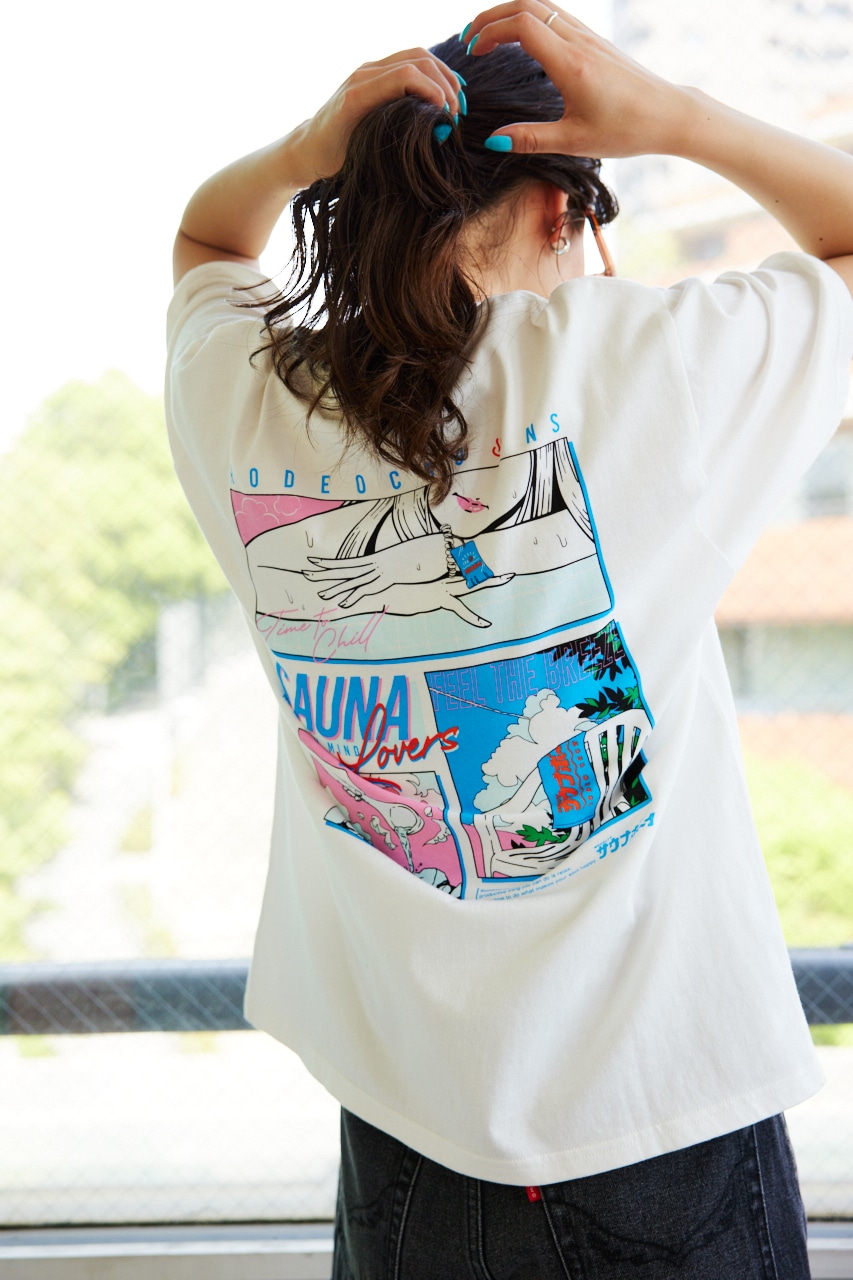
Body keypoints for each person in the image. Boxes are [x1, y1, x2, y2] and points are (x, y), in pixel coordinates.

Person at [165, 4, 853, 1275]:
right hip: (660, 1125)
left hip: (402, 1152)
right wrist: (674, 119)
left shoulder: (248, 395)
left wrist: (303, 147)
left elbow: (209, 239)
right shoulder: (637, 362)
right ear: (557, 209)